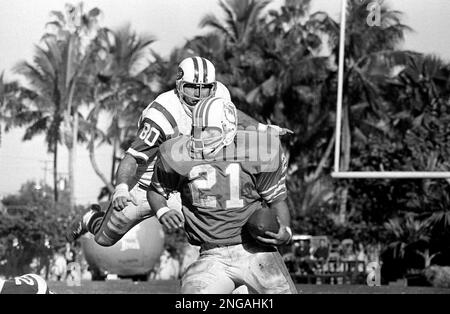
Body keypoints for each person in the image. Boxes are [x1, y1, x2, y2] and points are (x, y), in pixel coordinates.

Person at [66, 56, 290, 247]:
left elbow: (235, 116)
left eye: (205, 88)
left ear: (213, 86)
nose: (200, 95)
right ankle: (91, 219)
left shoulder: (218, 96)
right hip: (150, 184)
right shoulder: (163, 115)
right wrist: (122, 189)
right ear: (180, 85)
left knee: (224, 226)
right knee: (104, 239)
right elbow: (132, 157)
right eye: (193, 87)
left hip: (191, 182)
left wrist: (263, 128)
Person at [147, 96, 297, 294]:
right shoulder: (176, 153)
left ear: (228, 130)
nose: (201, 136)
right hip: (211, 255)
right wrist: (162, 210)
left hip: (254, 251)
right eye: (198, 129)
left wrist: (285, 232)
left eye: (210, 130)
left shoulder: (256, 150)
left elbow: (276, 200)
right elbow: (156, 191)